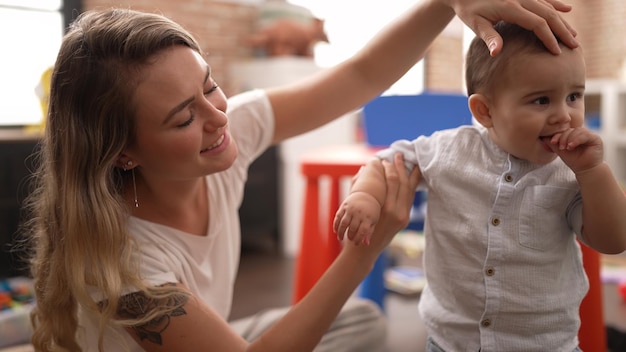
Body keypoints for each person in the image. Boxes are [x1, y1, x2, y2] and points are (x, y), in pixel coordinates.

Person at [22, 1, 579, 351]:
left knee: (360, 321)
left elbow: (358, 76)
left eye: (209, 86)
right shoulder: (124, 267)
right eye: (183, 116)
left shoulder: (223, 135)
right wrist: (362, 253)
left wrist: (447, 2)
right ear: (124, 153)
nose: (220, 118)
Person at [333, 20, 626, 351]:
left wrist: (594, 172)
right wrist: (365, 196)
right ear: (485, 111)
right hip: (451, 342)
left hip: (545, 345)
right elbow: (387, 163)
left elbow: (614, 240)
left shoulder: (572, 171)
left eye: (574, 96)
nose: (564, 115)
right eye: (541, 101)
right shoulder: (449, 150)